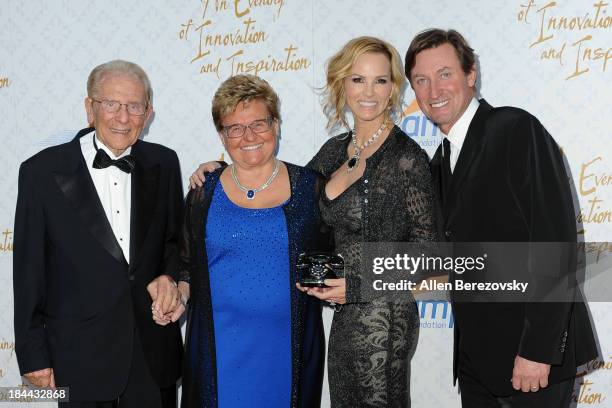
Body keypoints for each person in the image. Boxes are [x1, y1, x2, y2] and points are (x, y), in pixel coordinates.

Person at [190, 37, 439, 408]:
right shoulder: (336, 150)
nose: (368, 91)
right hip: (341, 323)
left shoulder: (406, 158)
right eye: (358, 80)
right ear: (342, 84)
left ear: (393, 89)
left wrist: (356, 286)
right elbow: (283, 191)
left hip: (383, 321)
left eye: (380, 81)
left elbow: (429, 255)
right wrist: (222, 169)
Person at [405, 28, 598, 407]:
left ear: (471, 74)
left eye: (445, 74)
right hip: (478, 364)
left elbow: (555, 243)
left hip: (531, 362)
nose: (433, 91)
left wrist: (539, 351)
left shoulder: (515, 130)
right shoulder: (440, 162)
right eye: (421, 81)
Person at [13, 60, 184, 408]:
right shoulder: (41, 172)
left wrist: (169, 278)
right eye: (111, 104)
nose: (123, 117)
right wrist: (33, 356)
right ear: (90, 108)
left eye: (135, 106)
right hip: (74, 361)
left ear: (147, 113)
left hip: (151, 358)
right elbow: (28, 273)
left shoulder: (165, 163)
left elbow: (173, 244)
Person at [176, 74, 326, 408]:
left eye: (259, 123)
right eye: (235, 128)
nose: (248, 137)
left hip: (287, 352)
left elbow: (334, 258)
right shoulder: (203, 191)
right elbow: (186, 267)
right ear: (222, 135)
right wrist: (177, 293)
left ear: (276, 124)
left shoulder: (310, 188)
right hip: (218, 353)